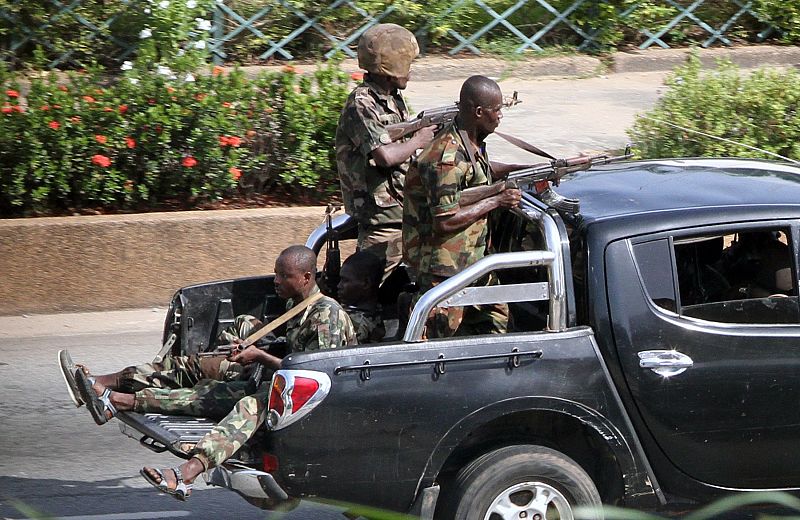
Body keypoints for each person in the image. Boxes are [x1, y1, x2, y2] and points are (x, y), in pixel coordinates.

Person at [74, 245, 356, 501]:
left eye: (284, 276)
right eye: (276, 274)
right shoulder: (298, 304)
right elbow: (289, 349)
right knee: (207, 392)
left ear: (306, 278)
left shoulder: (326, 316)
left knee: (250, 405)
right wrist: (253, 349)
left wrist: (259, 356)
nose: (276, 281)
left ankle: (187, 474)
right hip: (287, 386)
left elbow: (317, 376)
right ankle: (117, 401)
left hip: (315, 401)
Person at [402, 75, 524, 338]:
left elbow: (475, 174)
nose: (501, 116)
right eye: (497, 110)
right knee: (434, 345)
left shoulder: (469, 139)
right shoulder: (444, 157)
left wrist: (521, 171)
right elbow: (444, 221)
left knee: (497, 330)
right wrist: (497, 200)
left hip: (475, 263)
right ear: (479, 112)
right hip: (445, 271)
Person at [335, 23, 435, 278]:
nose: (410, 73)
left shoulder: (392, 98)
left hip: (402, 210)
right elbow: (384, 156)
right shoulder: (361, 103)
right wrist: (419, 139)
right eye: (407, 66)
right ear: (391, 69)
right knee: (370, 289)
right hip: (380, 219)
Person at [338, 250, 386, 343]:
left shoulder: (357, 324)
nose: (339, 286)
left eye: (345, 280)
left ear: (366, 283)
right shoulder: (373, 310)